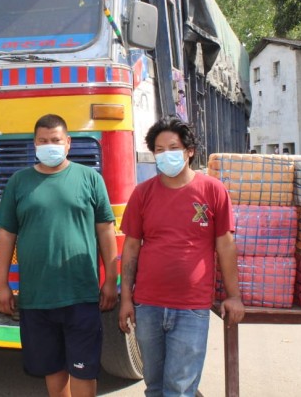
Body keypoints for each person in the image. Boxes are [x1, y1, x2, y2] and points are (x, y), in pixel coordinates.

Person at [118, 116, 244, 397]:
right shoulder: (142, 194)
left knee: (179, 388)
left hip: (191, 308)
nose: (166, 155)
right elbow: (131, 248)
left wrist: (233, 295)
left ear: (189, 151)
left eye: (173, 147)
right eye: (159, 150)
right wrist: (126, 298)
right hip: (148, 306)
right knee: (154, 387)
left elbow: (225, 245)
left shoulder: (213, 191)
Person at [0, 114, 118, 397]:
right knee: (53, 369)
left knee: (83, 370)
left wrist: (111, 280)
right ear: (34, 144)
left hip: (81, 294)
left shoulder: (89, 178)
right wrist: (1, 285)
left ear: (68, 143)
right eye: (43, 141)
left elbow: (105, 231)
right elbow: (6, 237)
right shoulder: (19, 182)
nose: (49, 145)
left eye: (55, 140)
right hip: (37, 297)